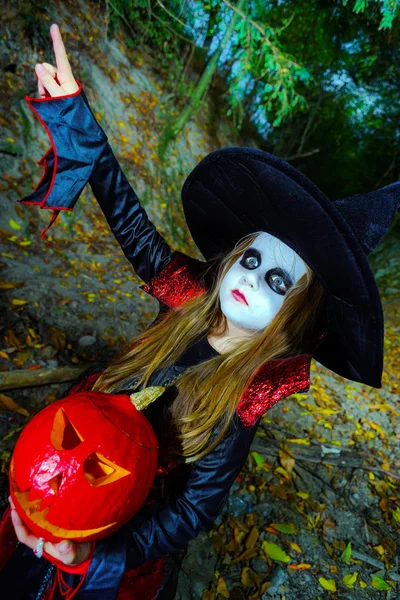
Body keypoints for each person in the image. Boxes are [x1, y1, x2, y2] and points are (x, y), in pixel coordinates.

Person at [0, 22, 398, 600]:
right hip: (56, 469)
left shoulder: (243, 397)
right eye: (252, 259)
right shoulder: (187, 297)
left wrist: (103, 551)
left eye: (278, 280)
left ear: (297, 314)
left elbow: (196, 510)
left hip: (112, 531)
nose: (251, 278)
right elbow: (130, 222)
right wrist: (78, 121)